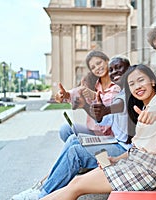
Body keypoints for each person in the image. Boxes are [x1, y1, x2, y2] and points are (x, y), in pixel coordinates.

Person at [40, 64, 156, 200]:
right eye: (132, 84)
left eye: (141, 80)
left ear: (152, 81)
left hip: (146, 171)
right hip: (133, 162)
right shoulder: (143, 105)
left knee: (77, 185)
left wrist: (153, 114)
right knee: (75, 183)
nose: (137, 86)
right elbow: (136, 150)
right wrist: (115, 159)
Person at [11, 56, 132, 200]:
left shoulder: (123, 92)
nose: (112, 72)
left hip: (120, 146)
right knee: (73, 139)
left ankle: (43, 193)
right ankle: (51, 182)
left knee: (75, 151)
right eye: (93, 66)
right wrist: (67, 95)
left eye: (100, 63)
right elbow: (87, 102)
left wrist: (93, 108)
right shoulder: (102, 85)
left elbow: (112, 111)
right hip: (114, 139)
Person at [55, 50, 121, 142]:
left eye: (99, 63)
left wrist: (93, 96)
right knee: (65, 129)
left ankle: (81, 152)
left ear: (107, 61)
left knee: (73, 140)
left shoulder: (117, 83)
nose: (97, 68)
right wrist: (65, 95)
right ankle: (81, 153)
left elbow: (108, 106)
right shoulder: (94, 83)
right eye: (93, 67)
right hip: (94, 131)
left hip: (111, 136)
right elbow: (77, 92)